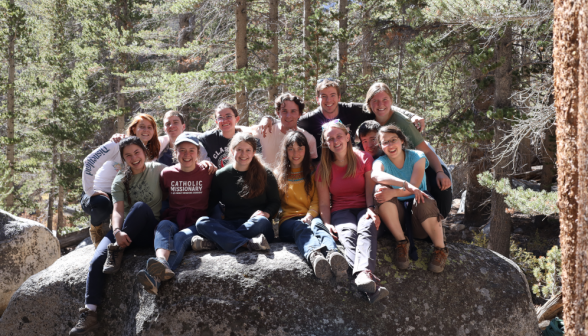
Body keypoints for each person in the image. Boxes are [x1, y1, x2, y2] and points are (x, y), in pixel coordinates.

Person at [70, 137, 166, 335]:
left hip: (148, 230)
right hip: (123, 232)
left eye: (137, 153)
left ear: (145, 153)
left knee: (140, 207)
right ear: (123, 159)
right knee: (97, 260)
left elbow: (184, 172)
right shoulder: (120, 179)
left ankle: (118, 250)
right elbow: (117, 211)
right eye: (128, 155)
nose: (133, 158)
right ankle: (90, 313)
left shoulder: (159, 170)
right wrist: (116, 232)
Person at [316, 120, 388, 303]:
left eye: (339, 136)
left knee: (367, 225)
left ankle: (362, 274)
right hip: (340, 211)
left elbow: (370, 190)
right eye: (330, 139)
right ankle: (366, 281)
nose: (335, 141)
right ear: (325, 143)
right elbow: (324, 203)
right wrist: (327, 223)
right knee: (348, 233)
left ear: (348, 137)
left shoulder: (364, 158)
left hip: (365, 206)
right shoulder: (323, 167)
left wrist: (371, 209)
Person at [137, 133, 216, 295]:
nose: (187, 154)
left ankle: (156, 278)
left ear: (198, 153)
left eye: (191, 150)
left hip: (196, 222)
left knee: (180, 237)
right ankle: (160, 262)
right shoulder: (167, 174)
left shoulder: (208, 172)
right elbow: (163, 197)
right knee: (163, 225)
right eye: (182, 150)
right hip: (174, 217)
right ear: (175, 152)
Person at [364, 82, 453, 217]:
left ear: (391, 101)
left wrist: (440, 172)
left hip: (419, 161)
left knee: (439, 188)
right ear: (369, 103)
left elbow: (426, 151)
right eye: (375, 101)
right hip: (392, 166)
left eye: (384, 100)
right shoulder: (368, 119)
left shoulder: (402, 123)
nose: (380, 105)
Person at [371, 125, 448, 273]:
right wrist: (403, 184)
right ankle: (401, 242)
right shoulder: (381, 162)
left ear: (402, 141)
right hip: (397, 220)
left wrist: (393, 193)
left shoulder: (416, 156)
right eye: (385, 142)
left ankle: (440, 249)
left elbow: (415, 186)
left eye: (393, 140)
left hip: (420, 220)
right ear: (380, 146)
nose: (390, 145)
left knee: (423, 198)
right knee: (380, 191)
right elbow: (376, 175)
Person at [81, 114, 162, 248]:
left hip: (123, 193)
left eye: (150, 127)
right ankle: (96, 228)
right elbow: (89, 161)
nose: (146, 130)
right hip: (100, 193)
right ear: (134, 128)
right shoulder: (118, 144)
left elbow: (174, 136)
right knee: (103, 204)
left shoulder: (150, 151)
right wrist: (90, 190)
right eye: (142, 127)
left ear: (154, 132)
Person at [275, 131, 347, 279]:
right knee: (301, 227)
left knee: (318, 226)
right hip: (288, 222)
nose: (296, 153)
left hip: (311, 216)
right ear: (285, 151)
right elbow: (274, 203)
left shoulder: (313, 171)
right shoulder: (279, 174)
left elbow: (317, 199)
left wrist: (309, 216)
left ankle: (332, 253)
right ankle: (314, 255)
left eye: (300, 148)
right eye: (291, 149)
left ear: (306, 150)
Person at [297, 79, 424, 162]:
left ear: (339, 97)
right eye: (323, 96)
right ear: (317, 99)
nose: (328, 100)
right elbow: (289, 122)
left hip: (354, 164)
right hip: (323, 168)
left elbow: (379, 106)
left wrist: (411, 115)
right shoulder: (308, 120)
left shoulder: (352, 110)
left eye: (332, 95)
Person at [195, 132, 280, 253]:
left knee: (261, 221)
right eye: (239, 149)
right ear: (232, 150)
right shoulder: (221, 175)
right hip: (230, 224)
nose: (243, 154)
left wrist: (266, 213)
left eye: (248, 150)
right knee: (201, 222)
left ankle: (216, 242)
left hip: (257, 226)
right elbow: (212, 203)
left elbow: (275, 202)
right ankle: (248, 243)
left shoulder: (265, 174)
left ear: (254, 152)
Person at [252, 93, 317, 170]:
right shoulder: (265, 130)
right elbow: (240, 131)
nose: (288, 116)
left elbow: (311, 167)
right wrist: (266, 118)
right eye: (284, 111)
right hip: (267, 180)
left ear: (300, 114)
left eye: (293, 111)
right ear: (278, 113)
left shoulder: (308, 139)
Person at [197, 102, 264, 169]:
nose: (224, 120)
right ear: (216, 121)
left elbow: (257, 164)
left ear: (237, 119)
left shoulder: (248, 140)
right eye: (220, 117)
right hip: (217, 178)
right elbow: (194, 142)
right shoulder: (208, 139)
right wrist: (203, 161)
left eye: (228, 116)